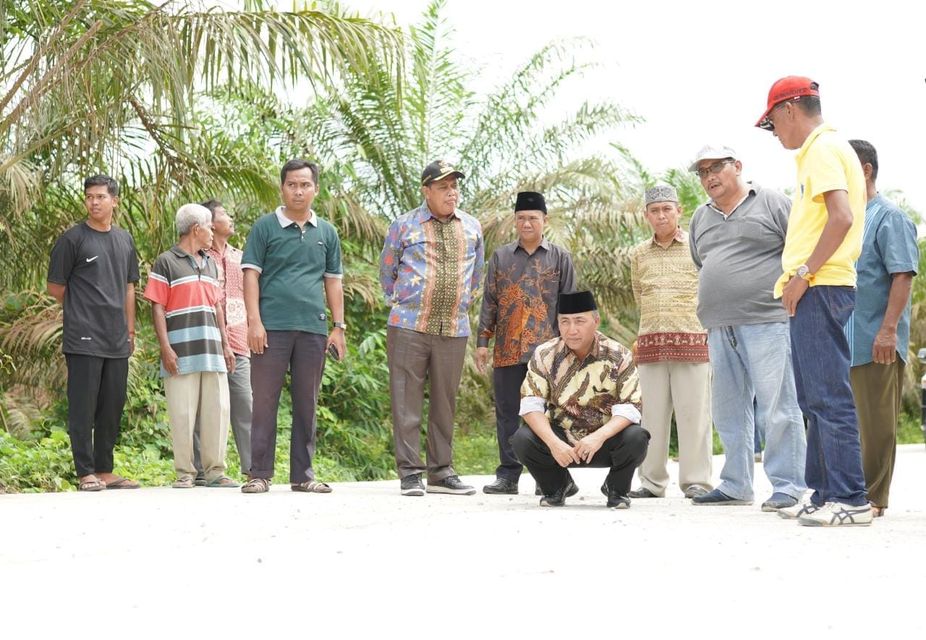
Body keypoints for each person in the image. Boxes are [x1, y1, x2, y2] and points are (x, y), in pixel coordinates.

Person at [756, 75, 871, 526]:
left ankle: (851, 498)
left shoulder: (822, 149)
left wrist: (804, 274)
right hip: (816, 285)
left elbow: (840, 217)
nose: (775, 133)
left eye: (772, 124)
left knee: (828, 395)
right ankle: (824, 494)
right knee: (813, 397)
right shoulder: (820, 152)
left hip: (821, 284)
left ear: (788, 110)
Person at [687, 145, 807, 510]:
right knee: (728, 408)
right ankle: (736, 484)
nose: (709, 177)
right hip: (720, 325)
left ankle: (788, 485)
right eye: (702, 172)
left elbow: (800, 249)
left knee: (778, 405)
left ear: (737, 166)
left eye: (716, 168)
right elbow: (701, 262)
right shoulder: (700, 217)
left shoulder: (771, 201)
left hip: (768, 320)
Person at [239, 159, 345, 494]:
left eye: (305, 185)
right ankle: (259, 473)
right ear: (282, 187)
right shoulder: (265, 227)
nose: (298, 191)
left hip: (313, 329)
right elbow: (250, 275)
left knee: (307, 402)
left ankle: (303, 475)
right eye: (291, 185)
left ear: (315, 188)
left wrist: (338, 326)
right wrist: (254, 322)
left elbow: (333, 282)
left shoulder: (326, 232)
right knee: (265, 401)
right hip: (271, 329)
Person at [380, 160, 484, 496]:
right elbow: (387, 271)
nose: (451, 193)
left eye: (454, 186)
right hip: (409, 325)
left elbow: (476, 274)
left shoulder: (472, 227)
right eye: (443, 187)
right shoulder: (403, 226)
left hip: (454, 327)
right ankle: (410, 473)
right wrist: (407, 301)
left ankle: (441, 472)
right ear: (426, 191)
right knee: (405, 398)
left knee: (445, 401)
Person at [476, 191, 576, 495]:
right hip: (507, 349)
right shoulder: (501, 257)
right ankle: (508, 475)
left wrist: (570, 346)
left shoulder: (560, 257)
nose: (527, 223)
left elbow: (569, 304)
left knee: (548, 414)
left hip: (548, 354)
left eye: (533, 217)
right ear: (514, 221)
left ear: (544, 220)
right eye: (521, 218)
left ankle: (550, 476)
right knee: (508, 412)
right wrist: (483, 341)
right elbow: (489, 301)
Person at [511, 290, 649, 509]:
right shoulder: (544, 354)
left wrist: (597, 437)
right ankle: (557, 486)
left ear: (596, 321)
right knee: (522, 439)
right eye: (564, 322)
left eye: (579, 321)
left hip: (604, 441)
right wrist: (554, 442)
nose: (571, 330)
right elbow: (530, 404)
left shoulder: (619, 354)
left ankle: (617, 489)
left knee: (637, 436)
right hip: (562, 442)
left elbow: (631, 407)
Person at [47, 174, 141, 491]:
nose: (94, 201)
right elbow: (55, 287)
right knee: (83, 406)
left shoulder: (125, 240)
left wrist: (129, 328)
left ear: (114, 200)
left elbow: (129, 287)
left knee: (112, 405)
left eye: (101, 196)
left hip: (117, 337)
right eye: (89, 196)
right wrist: (83, 308)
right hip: (83, 336)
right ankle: (84, 470)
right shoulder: (73, 239)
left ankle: (104, 469)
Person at [847, 139, 918, 518]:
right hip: (844, 341)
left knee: (876, 424)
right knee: (849, 423)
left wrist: (888, 330)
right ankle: (848, 492)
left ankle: (874, 498)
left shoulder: (889, 217)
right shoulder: (845, 219)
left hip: (877, 339)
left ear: (866, 170)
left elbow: (902, 276)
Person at [628, 184, 713, 499]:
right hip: (650, 346)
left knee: (695, 416)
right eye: (655, 210)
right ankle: (651, 482)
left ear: (679, 211)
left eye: (667, 209)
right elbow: (640, 296)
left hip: (693, 344)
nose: (661, 215)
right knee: (651, 417)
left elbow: (709, 290)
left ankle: (696, 482)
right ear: (646, 215)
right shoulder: (638, 254)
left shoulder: (697, 245)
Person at [144, 204, 238, 488]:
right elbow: (157, 307)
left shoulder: (210, 262)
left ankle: (215, 472)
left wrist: (226, 344)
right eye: (210, 227)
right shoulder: (166, 262)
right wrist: (165, 347)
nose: (213, 232)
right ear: (196, 229)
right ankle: (185, 473)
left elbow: (217, 306)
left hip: (212, 350)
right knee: (182, 413)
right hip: (180, 351)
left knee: (218, 411)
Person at [191, 199, 252, 482]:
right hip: (207, 343)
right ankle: (202, 471)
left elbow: (254, 297)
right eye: (225, 213)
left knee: (245, 406)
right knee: (206, 409)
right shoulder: (198, 258)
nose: (231, 217)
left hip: (240, 342)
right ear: (211, 223)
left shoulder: (243, 256)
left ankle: (254, 469)